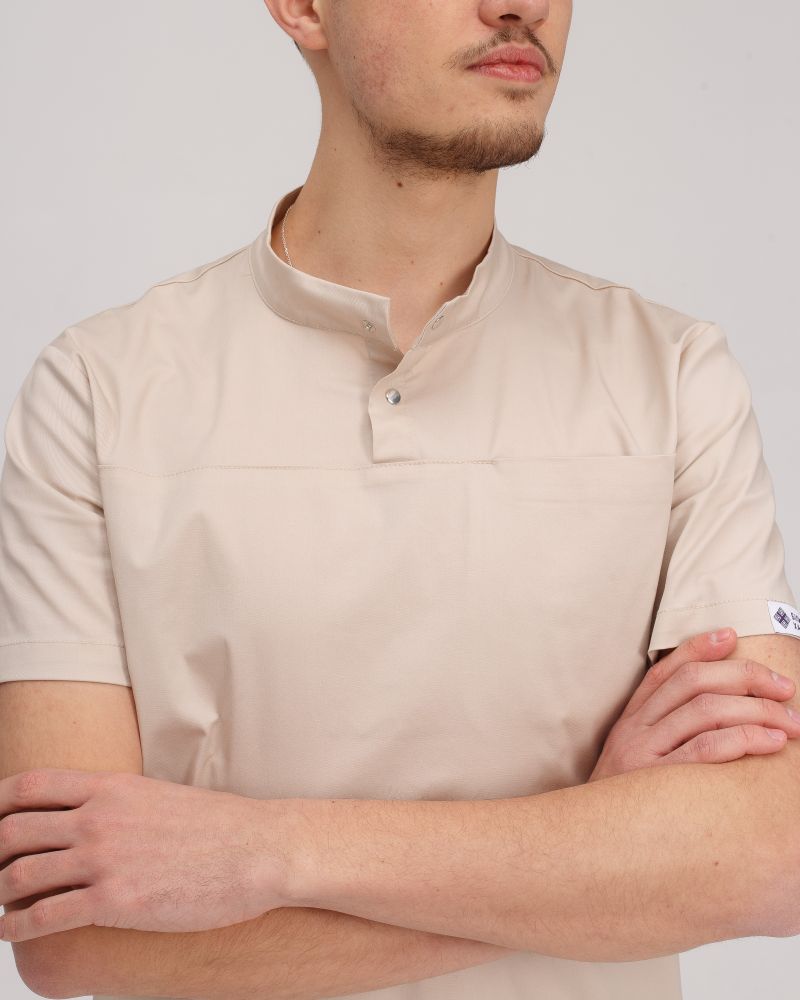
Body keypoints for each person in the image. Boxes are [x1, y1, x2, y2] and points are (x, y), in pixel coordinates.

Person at [1, 2, 798, 999]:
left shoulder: (673, 376)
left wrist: (264, 852)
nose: (520, 5)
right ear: (302, 8)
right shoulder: (99, 390)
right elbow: (71, 933)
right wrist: (589, 854)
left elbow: (766, 855)